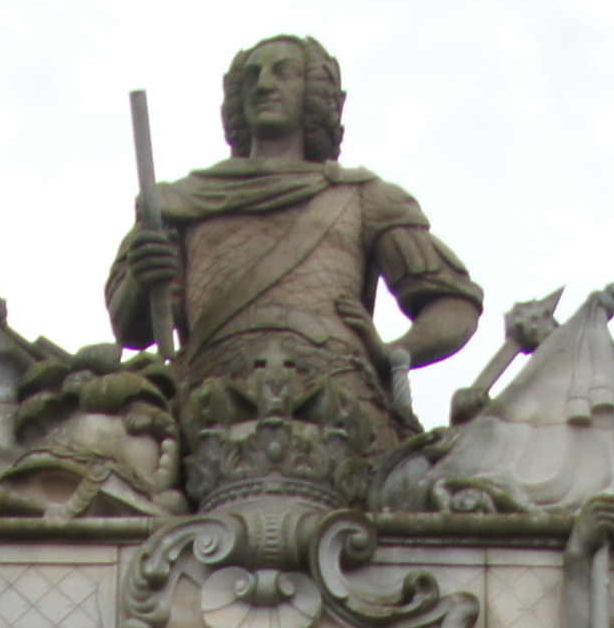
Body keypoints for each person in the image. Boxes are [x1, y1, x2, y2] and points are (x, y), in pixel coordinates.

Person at [106, 35, 479, 498]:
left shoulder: (363, 197)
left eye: (283, 72)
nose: (264, 84)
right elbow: (130, 326)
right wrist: (142, 277)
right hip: (207, 410)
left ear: (315, 94)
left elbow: (453, 305)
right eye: (252, 76)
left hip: (338, 409)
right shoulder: (180, 202)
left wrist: (394, 353)